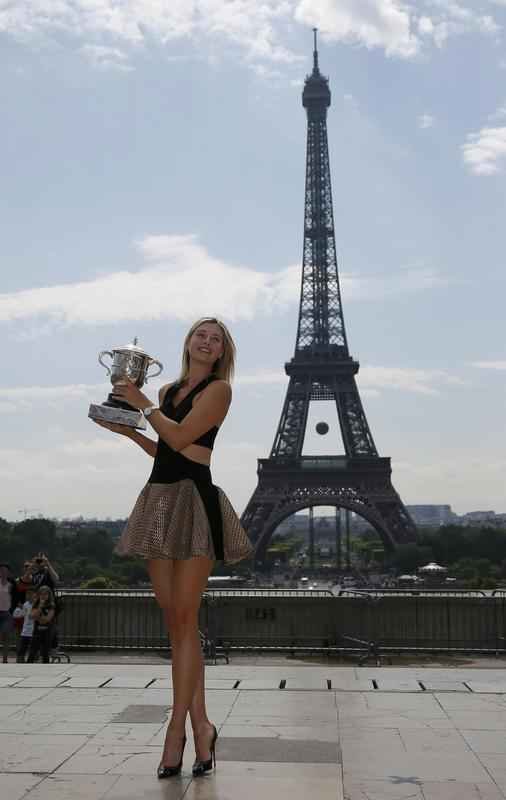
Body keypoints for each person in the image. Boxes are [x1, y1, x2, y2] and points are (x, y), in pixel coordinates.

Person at [93, 317, 253, 779]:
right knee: (178, 625)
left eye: (215, 339)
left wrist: (141, 404)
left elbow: (183, 439)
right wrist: (129, 432)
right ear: (188, 342)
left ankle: (176, 730)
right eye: (201, 334)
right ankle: (203, 725)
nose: (207, 342)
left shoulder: (218, 391)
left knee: (184, 619)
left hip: (195, 502)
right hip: (160, 501)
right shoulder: (166, 392)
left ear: (222, 352)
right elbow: (165, 449)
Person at [27, 586, 56, 663]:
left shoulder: (51, 605)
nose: (43, 596)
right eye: (41, 594)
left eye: (45, 594)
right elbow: (31, 616)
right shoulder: (36, 604)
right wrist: (40, 607)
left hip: (47, 631)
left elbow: (47, 619)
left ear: (49, 595)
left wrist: (38, 617)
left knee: (45, 653)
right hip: (37, 631)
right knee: (32, 651)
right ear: (39, 595)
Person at [13, 587, 35, 663]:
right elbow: (19, 615)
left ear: (35, 594)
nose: (29, 596)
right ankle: (20, 661)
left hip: (34, 631)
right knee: (22, 649)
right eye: (27, 594)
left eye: (31, 594)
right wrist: (18, 609)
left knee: (33, 650)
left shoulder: (37, 604)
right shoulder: (25, 604)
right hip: (25, 631)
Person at [0, 564, 16, 663]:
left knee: (6, 636)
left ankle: (5, 660)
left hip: (7, 613)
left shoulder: (11, 585)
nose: (3, 572)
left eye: (5, 571)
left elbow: (15, 598)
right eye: (1, 570)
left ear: (8, 573)